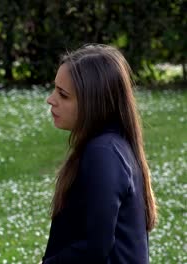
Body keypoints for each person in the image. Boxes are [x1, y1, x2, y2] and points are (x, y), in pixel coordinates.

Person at [42, 44, 157, 263]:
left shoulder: (104, 153)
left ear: (93, 104)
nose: (51, 99)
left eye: (63, 95)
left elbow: (96, 247)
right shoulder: (110, 146)